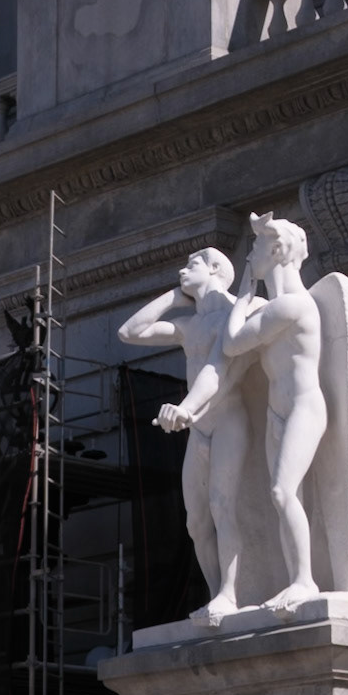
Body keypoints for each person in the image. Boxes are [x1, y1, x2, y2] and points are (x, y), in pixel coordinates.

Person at [117, 247, 249, 627]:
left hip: (227, 420)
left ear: (216, 270)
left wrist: (187, 408)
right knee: (195, 521)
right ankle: (215, 591)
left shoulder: (233, 313)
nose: (180, 270)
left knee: (224, 508)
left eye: (191, 265)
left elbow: (217, 371)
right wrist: (177, 296)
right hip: (199, 428)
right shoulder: (190, 326)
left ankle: (231, 592)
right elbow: (129, 332)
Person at [221, 214, 328, 612]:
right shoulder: (279, 307)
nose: (251, 254)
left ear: (278, 250)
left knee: (284, 492)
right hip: (279, 410)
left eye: (257, 247)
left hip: (304, 407)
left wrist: (245, 293)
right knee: (284, 495)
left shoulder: (293, 305)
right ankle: (293, 578)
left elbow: (232, 345)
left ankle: (305, 580)